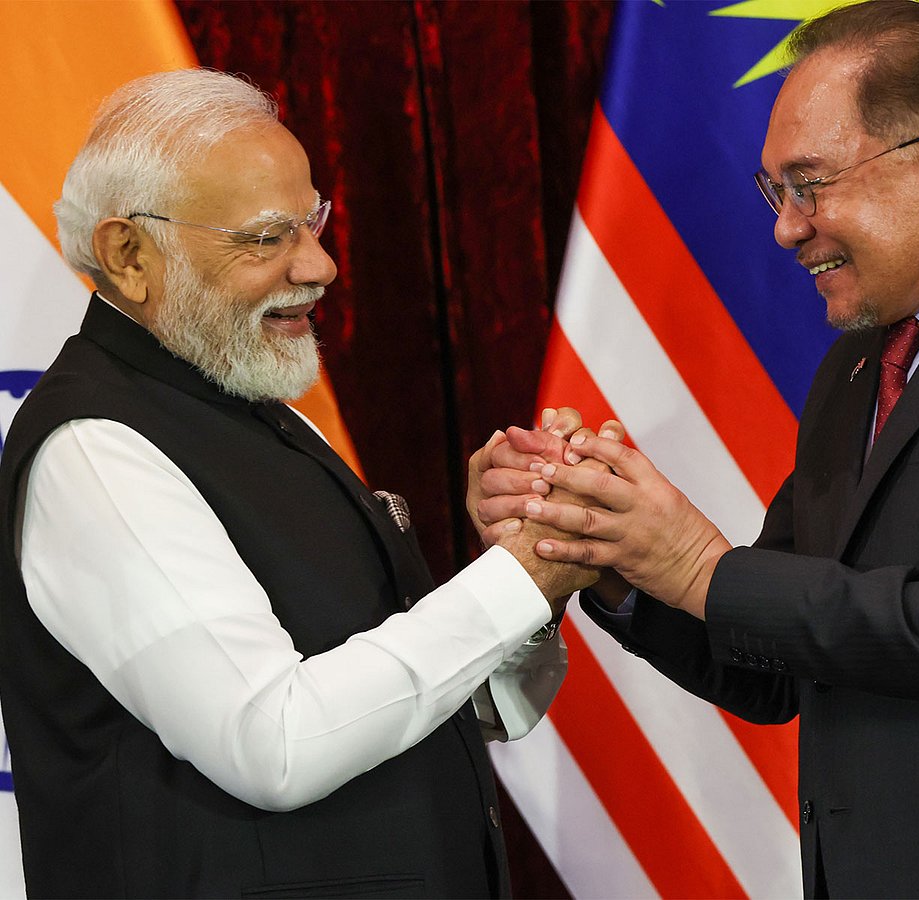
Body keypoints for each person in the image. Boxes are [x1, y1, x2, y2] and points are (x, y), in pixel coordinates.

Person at [474, 2, 919, 896]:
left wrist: (698, 563)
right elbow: (775, 666)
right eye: (776, 191)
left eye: (809, 185)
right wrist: (611, 551)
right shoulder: (860, 367)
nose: (786, 227)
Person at [0, 68, 597, 899]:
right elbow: (274, 745)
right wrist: (517, 580)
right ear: (129, 256)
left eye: (312, 222)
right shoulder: (96, 452)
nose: (321, 265)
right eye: (265, 238)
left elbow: (460, 709)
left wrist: (533, 559)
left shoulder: (255, 408)